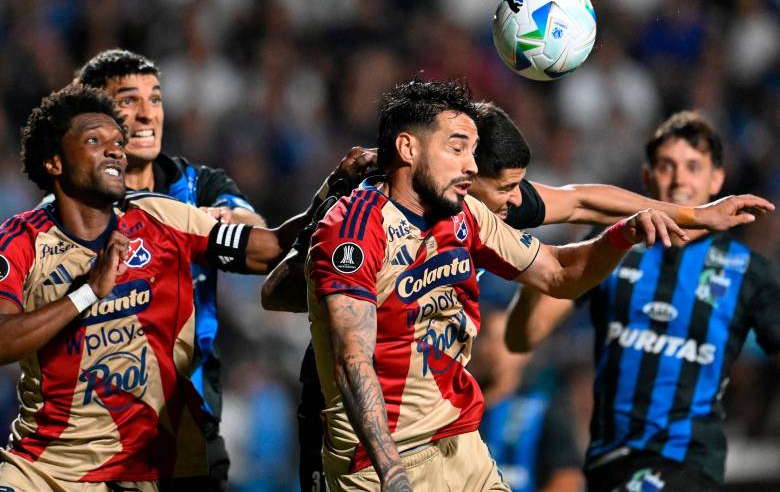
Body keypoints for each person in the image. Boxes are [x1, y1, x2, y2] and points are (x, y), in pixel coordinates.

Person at [262, 100, 772, 491]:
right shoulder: (369, 210)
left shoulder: (483, 209)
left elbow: (581, 202)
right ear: (464, 173)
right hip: (349, 412)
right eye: (505, 188)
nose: (516, 202)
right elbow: (280, 289)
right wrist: (325, 208)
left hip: (440, 426)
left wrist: (693, 216)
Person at [0, 84, 300, 490]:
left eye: (117, 142)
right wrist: (87, 292)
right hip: (50, 470)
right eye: (94, 140)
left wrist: (337, 195)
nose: (115, 151)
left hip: (155, 467)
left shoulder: (161, 217)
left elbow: (274, 248)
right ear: (54, 162)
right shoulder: (20, 242)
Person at [505, 111, 779, 491]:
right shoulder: (614, 245)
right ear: (647, 177)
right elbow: (523, 338)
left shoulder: (748, 271)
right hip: (606, 461)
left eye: (693, 167)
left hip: (686, 461)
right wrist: (545, 264)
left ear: (718, 178)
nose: (680, 178)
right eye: (666, 166)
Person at [74, 48, 264, 490]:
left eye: (155, 99)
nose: (146, 115)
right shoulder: (71, 213)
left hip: (192, 436)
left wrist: (221, 224)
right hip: (101, 446)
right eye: (128, 101)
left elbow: (259, 236)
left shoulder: (199, 187)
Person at [470, 307, 583, 492]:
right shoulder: (456, 408)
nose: (494, 350)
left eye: (505, 341)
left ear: (525, 352)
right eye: (487, 338)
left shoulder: (542, 407)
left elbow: (567, 477)